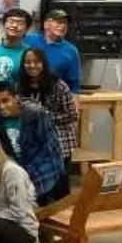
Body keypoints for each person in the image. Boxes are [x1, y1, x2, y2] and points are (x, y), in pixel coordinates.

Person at [0, 81, 68, 205]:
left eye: (5, 101)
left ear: (16, 98)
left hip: (44, 172)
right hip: (18, 174)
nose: (1, 106)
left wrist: (25, 174)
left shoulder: (36, 114)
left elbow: (49, 149)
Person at [19, 47, 79, 183]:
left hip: (59, 141)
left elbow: (72, 114)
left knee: (59, 186)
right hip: (33, 142)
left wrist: (44, 117)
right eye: (28, 62)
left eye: (36, 62)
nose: (32, 65)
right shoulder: (20, 86)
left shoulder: (59, 85)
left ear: (43, 63)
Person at [24, 8, 81, 94]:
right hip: (27, 92)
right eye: (58, 22)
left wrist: (75, 99)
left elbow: (74, 83)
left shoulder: (71, 51)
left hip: (55, 95)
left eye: (65, 23)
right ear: (46, 24)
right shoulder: (28, 40)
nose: (62, 26)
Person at [0, 8, 31, 84]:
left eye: (20, 23)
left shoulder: (29, 53)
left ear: (27, 29)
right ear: (4, 25)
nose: (14, 25)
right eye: (11, 21)